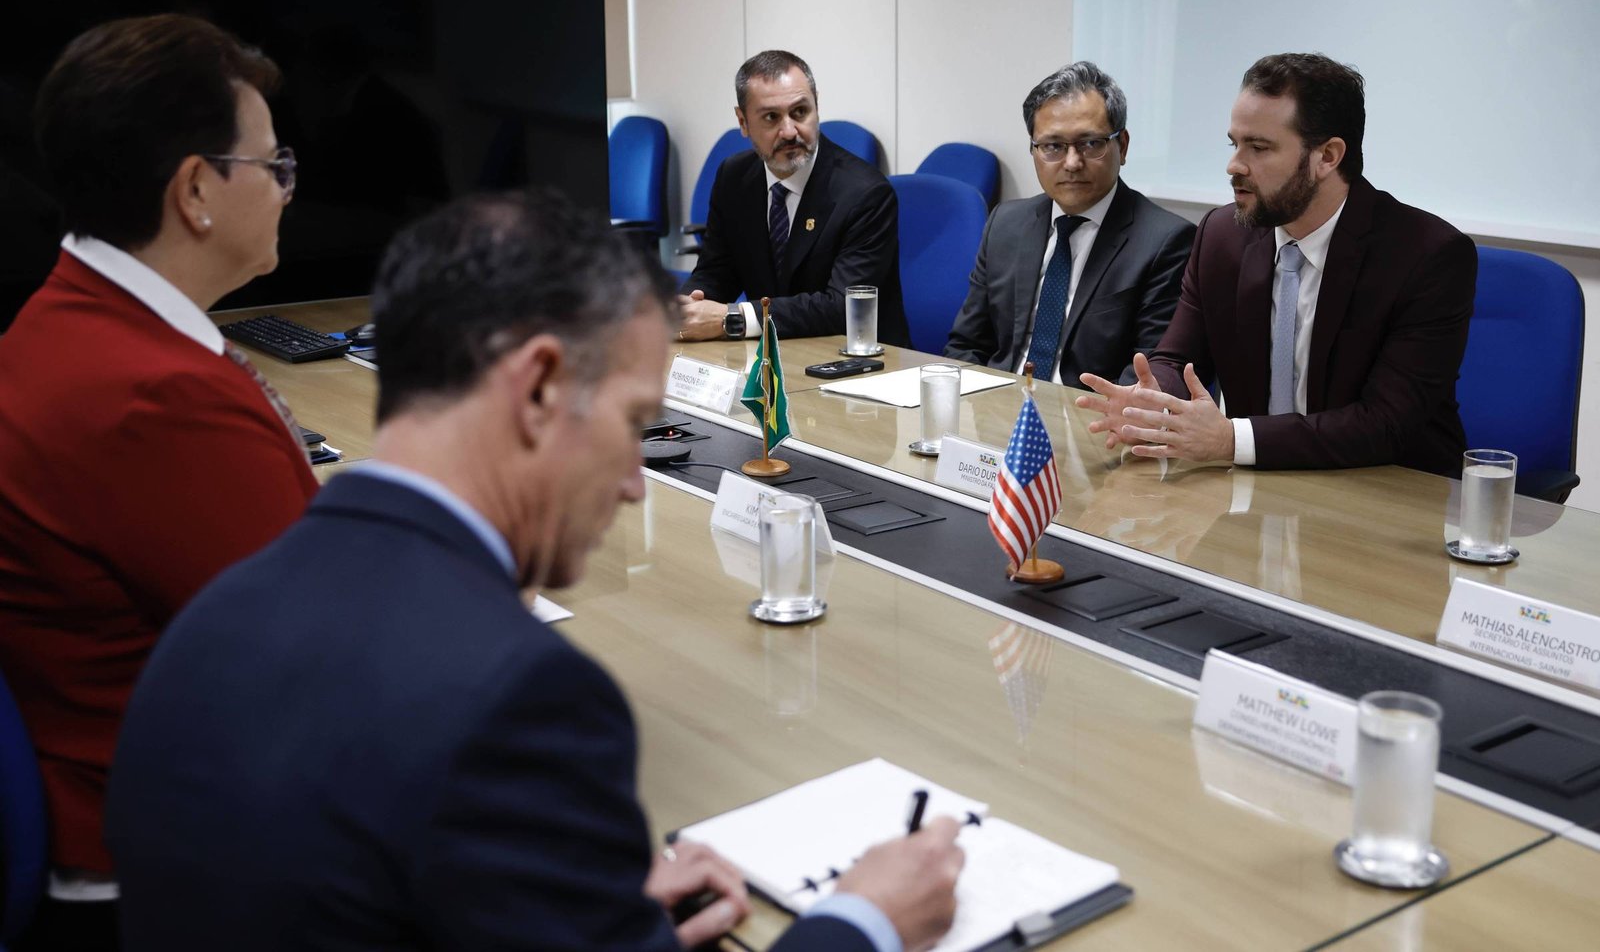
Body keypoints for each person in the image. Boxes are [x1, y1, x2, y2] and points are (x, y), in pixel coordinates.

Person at [107, 190, 965, 951]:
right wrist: (864, 920)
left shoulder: (211, 616)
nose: (634, 482)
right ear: (541, 388)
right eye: (632, 421)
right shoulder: (521, 698)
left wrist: (578, 900)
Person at [0, 14, 317, 950]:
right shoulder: (153, 398)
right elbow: (327, 665)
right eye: (273, 165)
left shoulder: (62, 318)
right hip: (176, 881)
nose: (287, 189)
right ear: (196, 191)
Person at [1075, 53, 1476, 475]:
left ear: (1327, 156)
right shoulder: (1221, 236)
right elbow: (1177, 359)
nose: (1234, 165)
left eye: (1259, 147)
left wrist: (1232, 439)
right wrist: (1152, 399)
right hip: (1257, 485)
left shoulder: (1426, 256)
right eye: (1234, 144)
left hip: (1390, 487)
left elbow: (1386, 423)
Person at [944, 62, 1194, 386]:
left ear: (1122, 146)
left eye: (1090, 143)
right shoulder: (1005, 224)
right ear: (1033, 151)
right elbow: (966, 347)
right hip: (1000, 405)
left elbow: (1149, 378)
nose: (1072, 163)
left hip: (1091, 412)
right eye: (1053, 146)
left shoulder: (1166, 242)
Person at [679, 49, 912, 346]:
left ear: (817, 106)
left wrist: (733, 318)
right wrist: (686, 307)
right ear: (743, 122)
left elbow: (841, 307)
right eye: (771, 117)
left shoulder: (865, 193)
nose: (789, 132)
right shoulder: (734, 178)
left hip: (856, 358)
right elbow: (716, 271)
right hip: (772, 354)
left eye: (800, 112)